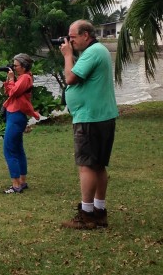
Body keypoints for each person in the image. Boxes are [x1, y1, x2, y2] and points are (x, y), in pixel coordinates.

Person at [59, 20, 119, 229]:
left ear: (86, 35)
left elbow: (70, 77)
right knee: (98, 165)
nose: (70, 41)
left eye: (72, 37)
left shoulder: (93, 52)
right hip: (101, 116)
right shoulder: (96, 51)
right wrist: (72, 54)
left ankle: (86, 215)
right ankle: (99, 211)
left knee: (86, 166)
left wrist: (67, 56)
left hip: (91, 118)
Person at [2, 53, 40, 194]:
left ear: (23, 67)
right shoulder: (24, 77)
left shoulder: (25, 78)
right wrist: (10, 79)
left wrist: (11, 79)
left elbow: (13, 92)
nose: (14, 67)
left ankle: (16, 184)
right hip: (15, 115)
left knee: (9, 149)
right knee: (18, 149)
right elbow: (10, 91)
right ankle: (22, 181)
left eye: (16, 65)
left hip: (16, 116)